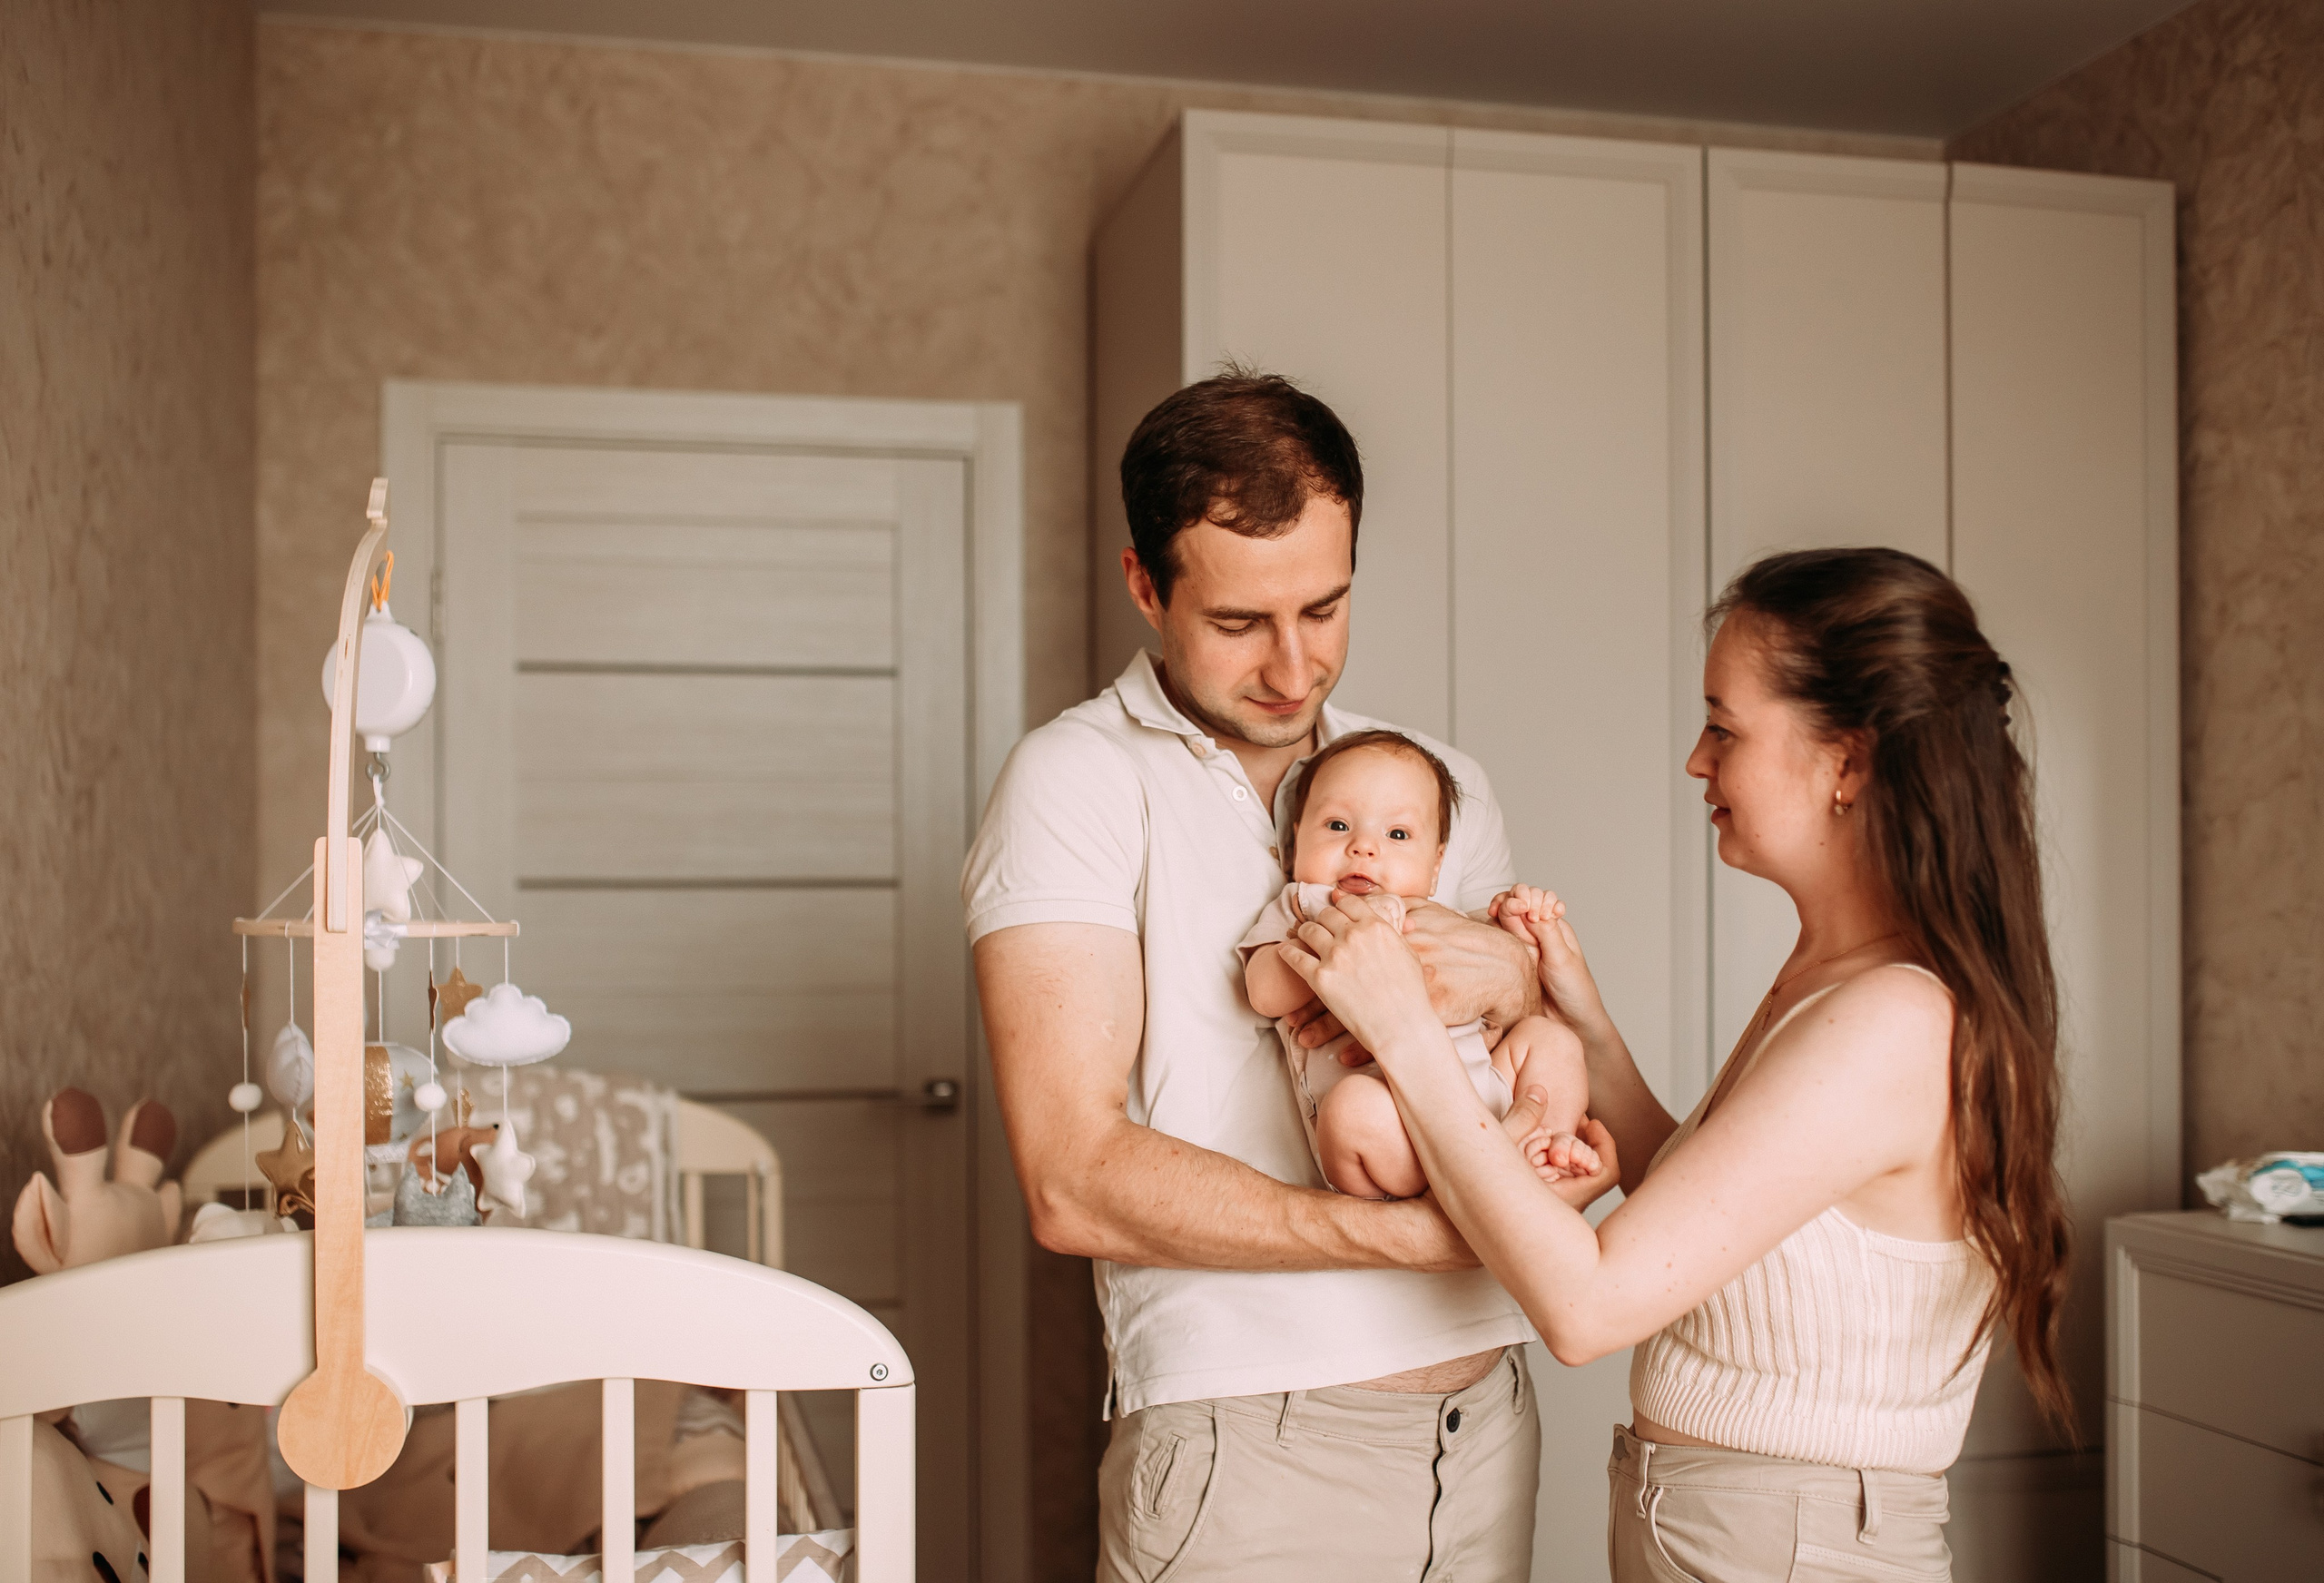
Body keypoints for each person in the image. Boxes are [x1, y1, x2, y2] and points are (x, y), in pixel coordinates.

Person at [1276, 547, 2073, 1581]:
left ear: (1847, 761)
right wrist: (1588, 1026)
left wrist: (1407, 1040)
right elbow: (1708, 1222)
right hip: (1735, 1526)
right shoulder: (1831, 973)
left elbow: (1592, 1305)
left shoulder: (1890, 1020)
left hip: (1788, 1545)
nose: (1697, 761)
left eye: (1725, 728)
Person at [963, 370, 1614, 1581]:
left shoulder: (1424, 788)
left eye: (1326, 607)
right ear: (1145, 587)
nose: (1292, 665)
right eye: (1238, 622)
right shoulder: (1076, 782)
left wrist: (1518, 986)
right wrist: (1419, 1240)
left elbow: (1479, 1062)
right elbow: (1072, 1180)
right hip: (1250, 1443)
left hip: (1489, 1420)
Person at [1238, 728, 1599, 1199]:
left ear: (1435, 865)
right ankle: (1457, 1187)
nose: (1364, 847)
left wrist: (1516, 922)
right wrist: (1342, 943)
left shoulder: (1440, 915)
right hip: (1393, 1130)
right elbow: (1263, 992)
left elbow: (1506, 975)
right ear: (1294, 842)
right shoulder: (1303, 905)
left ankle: (1544, 1142)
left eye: (1398, 834)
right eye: (1338, 826)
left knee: (1552, 1041)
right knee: (1349, 1110)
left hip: (1485, 1096)